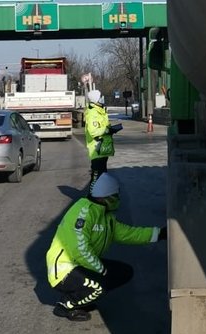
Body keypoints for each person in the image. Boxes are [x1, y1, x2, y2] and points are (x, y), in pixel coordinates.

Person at [45, 173, 167, 321]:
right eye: (115, 196)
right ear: (105, 198)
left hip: (80, 265)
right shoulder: (83, 213)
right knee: (99, 287)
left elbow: (128, 233)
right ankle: (65, 305)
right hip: (64, 269)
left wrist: (159, 234)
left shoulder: (106, 217)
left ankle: (82, 296)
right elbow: (79, 249)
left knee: (124, 272)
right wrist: (101, 270)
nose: (118, 199)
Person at [84, 89, 120, 193]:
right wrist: (107, 130)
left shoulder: (100, 111)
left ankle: (100, 195)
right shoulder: (92, 113)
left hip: (103, 147)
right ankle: (92, 196)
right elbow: (93, 131)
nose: (102, 98)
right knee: (96, 176)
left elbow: (103, 126)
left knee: (102, 175)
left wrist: (110, 129)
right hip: (96, 149)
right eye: (100, 97)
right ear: (96, 99)